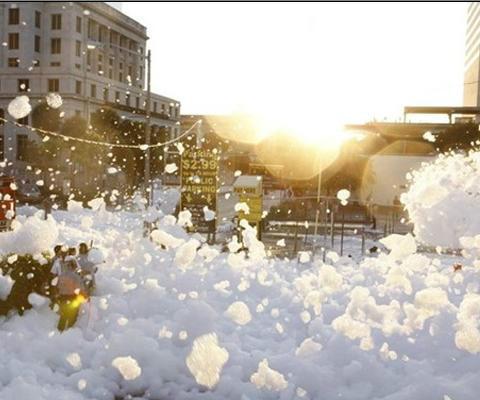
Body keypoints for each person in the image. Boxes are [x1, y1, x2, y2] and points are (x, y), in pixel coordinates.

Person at [52, 246, 86, 331]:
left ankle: (60, 330)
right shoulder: (74, 274)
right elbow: (80, 284)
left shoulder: (61, 272)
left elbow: (54, 278)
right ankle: (70, 329)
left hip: (63, 294)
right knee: (72, 313)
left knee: (64, 313)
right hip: (71, 294)